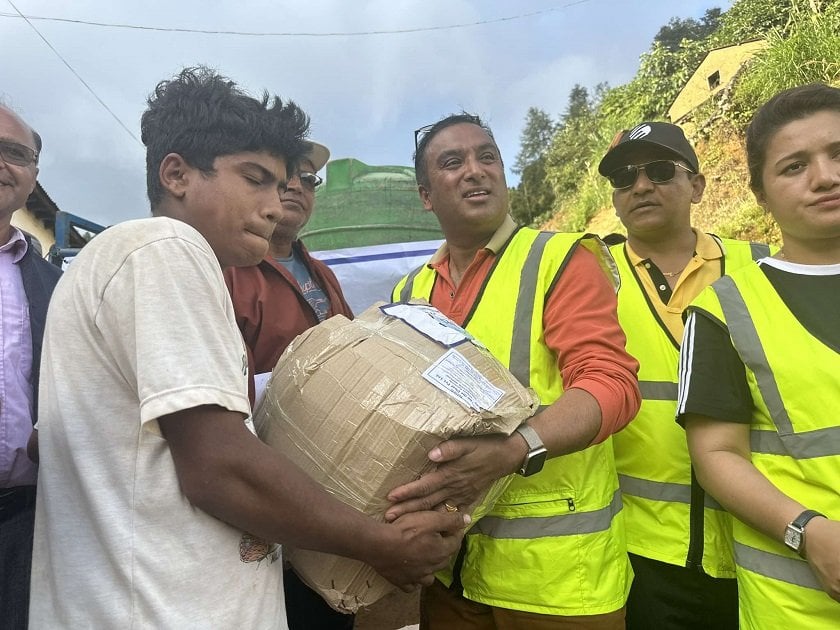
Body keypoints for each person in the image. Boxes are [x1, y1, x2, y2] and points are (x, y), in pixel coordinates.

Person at [28, 67, 467, 629]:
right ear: (177, 173)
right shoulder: (165, 247)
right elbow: (218, 466)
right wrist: (380, 544)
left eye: (285, 184)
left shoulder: (119, 261)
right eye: (255, 178)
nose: (275, 204)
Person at [388, 113, 641, 628]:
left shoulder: (557, 259)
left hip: (556, 582)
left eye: (487, 157)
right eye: (452, 162)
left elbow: (611, 384)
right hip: (446, 576)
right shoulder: (406, 294)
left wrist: (514, 447)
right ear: (425, 196)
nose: (475, 171)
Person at [677, 82, 840, 628]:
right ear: (761, 195)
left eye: (837, 154)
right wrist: (807, 531)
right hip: (800, 606)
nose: (824, 177)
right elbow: (717, 455)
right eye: (794, 166)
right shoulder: (725, 311)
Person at [598, 121, 769, 629]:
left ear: (697, 185)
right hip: (641, 554)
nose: (641, 185)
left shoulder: (759, 269)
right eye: (625, 177)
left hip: (759, 539)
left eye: (659, 170)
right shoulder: (589, 280)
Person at [224, 141, 355, 630]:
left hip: (333, 482)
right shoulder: (229, 271)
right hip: (263, 492)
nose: (299, 186)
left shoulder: (320, 274)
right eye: (285, 177)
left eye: (309, 178)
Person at [0, 105, 61, 629]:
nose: (1, 162)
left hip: (26, 520)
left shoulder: (55, 285)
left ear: (32, 175)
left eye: (15, 153)